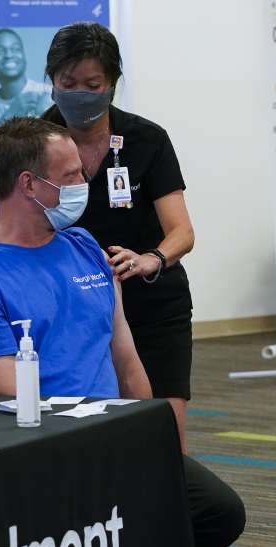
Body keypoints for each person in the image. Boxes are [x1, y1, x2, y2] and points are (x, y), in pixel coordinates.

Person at [0, 116, 244, 547]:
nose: (85, 183)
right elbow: (9, 391)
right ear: (29, 185)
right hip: (46, 451)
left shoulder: (84, 247)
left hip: (112, 438)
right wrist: (99, 442)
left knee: (217, 511)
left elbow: (126, 360)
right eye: (72, 176)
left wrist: (147, 434)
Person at [39, 22, 199, 454]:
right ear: (51, 80)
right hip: (73, 306)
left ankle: (172, 518)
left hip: (150, 303)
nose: (79, 93)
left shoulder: (147, 139)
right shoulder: (36, 142)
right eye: (67, 83)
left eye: (92, 84)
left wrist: (152, 259)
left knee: (163, 438)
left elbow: (182, 232)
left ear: (112, 85)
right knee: (87, 441)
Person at [0, 29, 54, 148]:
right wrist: (9, 115)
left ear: (24, 56)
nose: (9, 55)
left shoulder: (48, 94)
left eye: (15, 49)